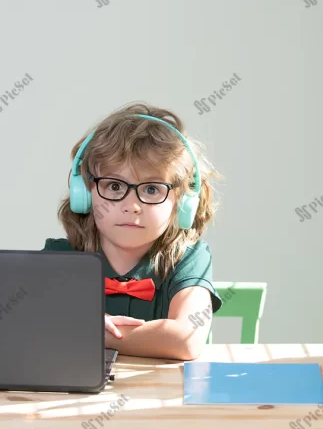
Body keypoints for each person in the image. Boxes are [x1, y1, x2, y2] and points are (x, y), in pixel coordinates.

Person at [43, 102, 224, 360]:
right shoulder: (60, 257)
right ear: (84, 192)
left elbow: (187, 339)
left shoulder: (189, 259)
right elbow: (29, 326)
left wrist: (90, 330)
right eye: (114, 186)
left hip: (158, 394)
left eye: (152, 189)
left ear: (182, 203)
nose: (132, 206)